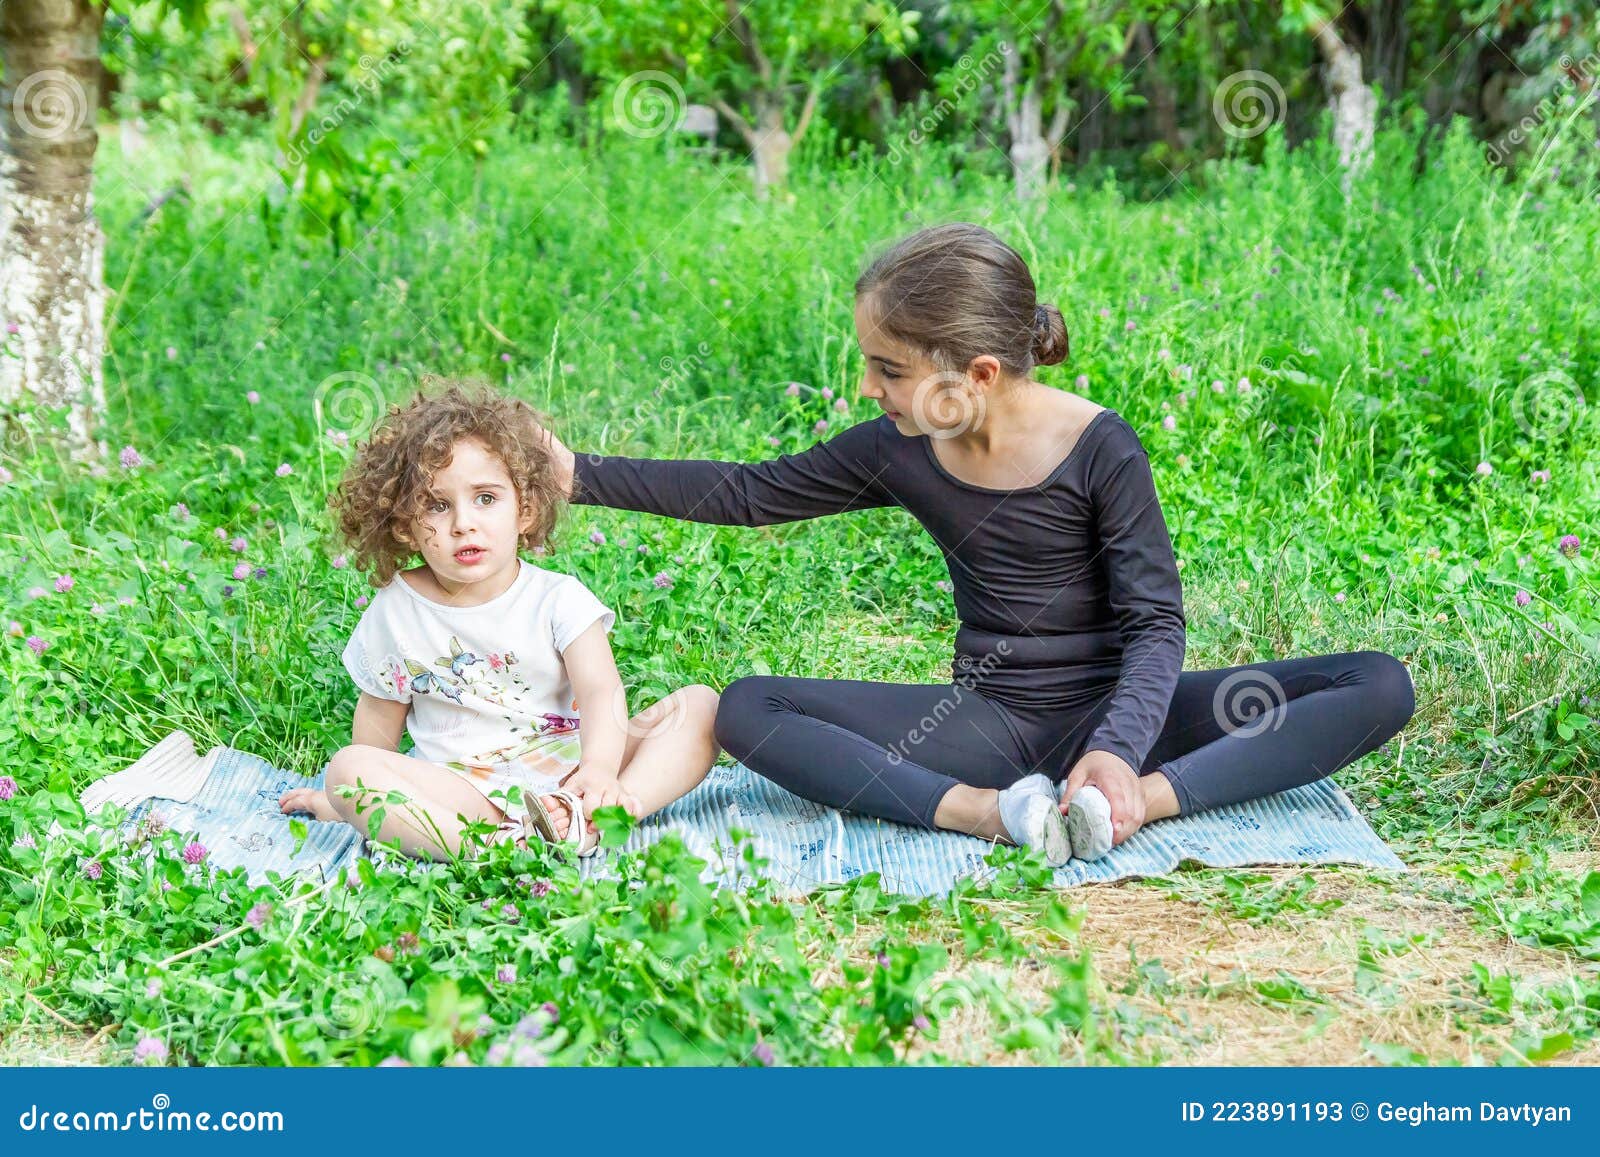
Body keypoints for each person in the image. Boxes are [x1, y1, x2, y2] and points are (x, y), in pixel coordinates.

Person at [535, 223, 1416, 868]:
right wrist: (579, 473)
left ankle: (1131, 805)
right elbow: (754, 493)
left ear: (978, 376)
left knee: (1377, 681)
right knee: (749, 707)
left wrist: (1117, 751)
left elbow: (1155, 625)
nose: (867, 385)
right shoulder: (900, 447)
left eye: (889, 368)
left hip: (1130, 723)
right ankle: (992, 816)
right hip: (987, 731)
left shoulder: (1101, 447)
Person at [279, 380, 720, 860]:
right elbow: (379, 726)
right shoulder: (396, 610)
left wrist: (597, 770)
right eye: (437, 505)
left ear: (524, 510)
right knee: (349, 769)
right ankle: (494, 846)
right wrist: (345, 799)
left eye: (485, 498)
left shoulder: (557, 599)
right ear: (405, 525)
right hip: (465, 790)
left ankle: (596, 816)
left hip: (572, 767)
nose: (463, 522)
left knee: (699, 708)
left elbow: (601, 691)